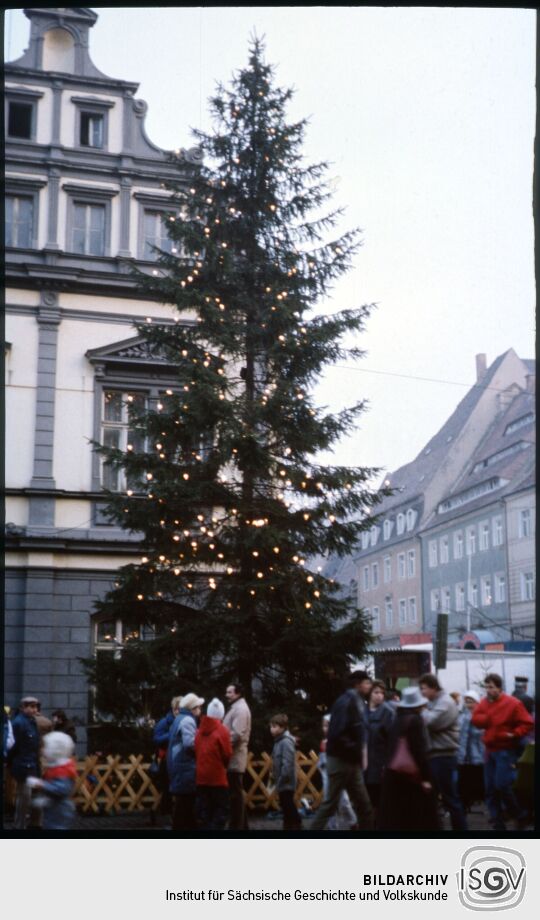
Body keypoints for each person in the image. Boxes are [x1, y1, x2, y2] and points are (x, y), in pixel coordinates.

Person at [311, 671, 374, 830]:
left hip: (350, 761)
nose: (369, 686)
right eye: (366, 682)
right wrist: (356, 748)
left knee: (364, 805)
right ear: (358, 684)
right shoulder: (346, 702)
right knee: (331, 804)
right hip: (341, 760)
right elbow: (337, 734)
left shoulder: (357, 701)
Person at [471, 673, 534, 831]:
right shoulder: (484, 703)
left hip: (505, 749)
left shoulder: (512, 703)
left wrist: (514, 734)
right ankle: (497, 821)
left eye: (491, 687)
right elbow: (476, 717)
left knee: (502, 784)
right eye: (486, 687)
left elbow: (527, 722)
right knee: (490, 788)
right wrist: (483, 720)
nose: (488, 690)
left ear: (499, 688)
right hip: (490, 750)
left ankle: (518, 814)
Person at [378, 686, 438, 831]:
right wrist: (426, 778)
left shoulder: (396, 719)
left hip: (393, 775)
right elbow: (419, 751)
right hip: (411, 777)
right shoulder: (416, 721)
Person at [419, 672, 468, 831]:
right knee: (433, 797)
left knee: (450, 798)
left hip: (443, 756)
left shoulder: (445, 702)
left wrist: (421, 709)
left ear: (434, 687)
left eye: (424, 688)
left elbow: (430, 722)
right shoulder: (434, 702)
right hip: (436, 756)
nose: (422, 692)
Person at [167, 692, 204, 830]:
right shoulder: (188, 720)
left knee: (183, 804)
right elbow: (190, 744)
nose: (200, 710)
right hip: (185, 767)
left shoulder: (179, 718)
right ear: (193, 708)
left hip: (178, 766)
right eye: (199, 707)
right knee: (185, 804)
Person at [26, 731, 77, 830]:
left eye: (45, 747)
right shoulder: (57, 767)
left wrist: (41, 784)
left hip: (60, 812)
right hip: (55, 811)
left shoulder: (63, 770)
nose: (42, 750)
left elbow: (61, 789)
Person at [195, 698, 232, 830]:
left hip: (201, 776)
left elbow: (196, 750)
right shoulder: (223, 731)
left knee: (205, 811)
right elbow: (227, 754)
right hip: (217, 777)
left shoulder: (199, 731)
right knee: (221, 810)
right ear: (221, 714)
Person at [8, 696, 42, 829]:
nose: (34, 710)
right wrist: (11, 763)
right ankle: (19, 827)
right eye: (31, 707)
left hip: (33, 765)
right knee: (24, 799)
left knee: (36, 796)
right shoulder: (18, 723)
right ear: (23, 708)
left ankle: (35, 825)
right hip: (23, 766)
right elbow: (12, 746)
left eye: (35, 707)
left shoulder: (31, 721)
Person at [318, 714, 356, 829]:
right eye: (324, 726)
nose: (326, 728)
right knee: (328, 802)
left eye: (328, 726)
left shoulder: (340, 742)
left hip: (339, 777)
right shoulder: (323, 743)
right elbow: (321, 761)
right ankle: (332, 826)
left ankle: (353, 822)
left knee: (344, 802)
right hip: (327, 777)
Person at [223, 683, 251, 829]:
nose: (227, 695)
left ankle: (236, 827)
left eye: (230, 692)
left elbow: (236, 734)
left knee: (235, 795)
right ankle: (243, 826)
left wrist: (222, 746)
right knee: (236, 794)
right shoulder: (237, 707)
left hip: (235, 757)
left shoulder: (240, 709)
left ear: (238, 693)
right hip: (233, 757)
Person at [364, 680, 395, 810]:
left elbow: (393, 741)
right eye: (376, 692)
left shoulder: (388, 713)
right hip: (364, 764)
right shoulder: (362, 712)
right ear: (370, 693)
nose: (380, 696)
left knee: (381, 801)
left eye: (382, 693)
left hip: (381, 763)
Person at [269, 714, 302, 831]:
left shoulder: (286, 742)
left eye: (274, 726)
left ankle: (297, 826)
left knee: (289, 806)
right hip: (281, 781)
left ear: (283, 728)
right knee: (285, 807)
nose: (272, 729)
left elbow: (287, 765)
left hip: (286, 782)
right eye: (271, 726)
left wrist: (280, 781)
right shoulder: (278, 741)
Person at [153, 695, 182, 818]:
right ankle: (165, 812)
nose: (178, 712)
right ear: (173, 709)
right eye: (176, 709)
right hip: (166, 759)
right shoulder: (164, 722)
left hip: (179, 759)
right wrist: (170, 735)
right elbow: (156, 738)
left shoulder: (184, 721)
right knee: (167, 787)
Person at [457, 690, 485, 812]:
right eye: (467, 701)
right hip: (464, 754)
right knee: (464, 779)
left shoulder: (481, 716)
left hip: (477, 752)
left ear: (477, 702)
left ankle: (476, 801)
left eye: (471, 701)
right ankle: (465, 803)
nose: (468, 704)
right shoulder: (463, 716)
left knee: (477, 777)